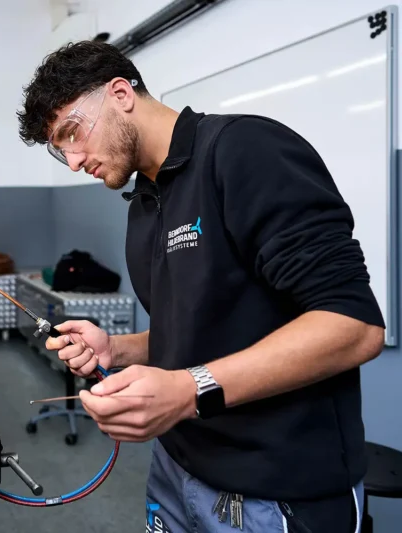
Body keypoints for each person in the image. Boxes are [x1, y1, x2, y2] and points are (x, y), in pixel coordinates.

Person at [19, 41, 385, 532]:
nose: (74, 161)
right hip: (177, 470)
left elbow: (354, 326)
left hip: (273, 489)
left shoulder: (244, 151)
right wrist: (119, 349)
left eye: (72, 133)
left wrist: (188, 390)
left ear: (121, 93)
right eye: (59, 149)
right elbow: (203, 330)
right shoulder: (144, 204)